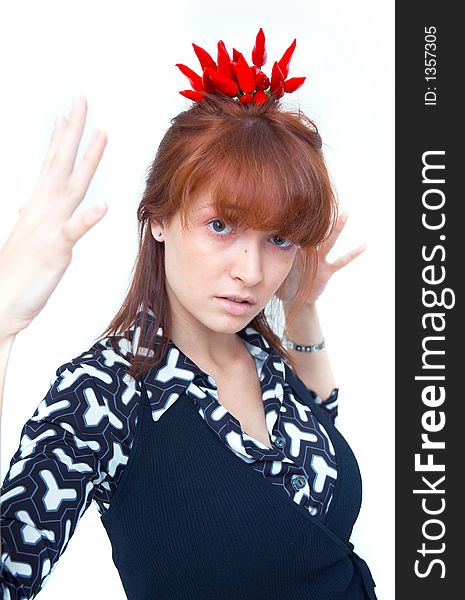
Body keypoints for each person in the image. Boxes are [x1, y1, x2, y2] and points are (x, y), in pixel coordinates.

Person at [0, 29, 375, 599]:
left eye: (277, 237)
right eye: (220, 226)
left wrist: (302, 310)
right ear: (158, 217)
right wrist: (2, 321)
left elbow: (319, 434)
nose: (251, 271)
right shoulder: (105, 391)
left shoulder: (259, 354)